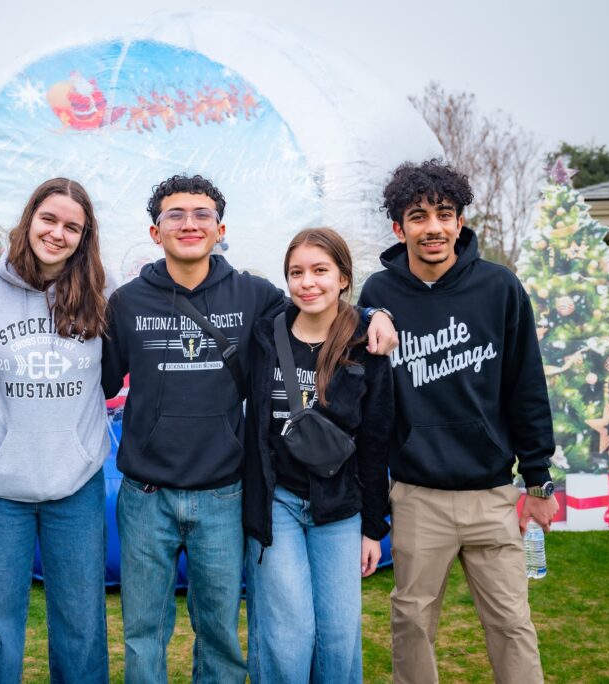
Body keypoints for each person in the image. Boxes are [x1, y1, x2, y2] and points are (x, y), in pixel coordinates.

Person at [101, 174, 397, 683]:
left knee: (219, 633)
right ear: (155, 232)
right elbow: (101, 379)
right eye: (175, 214)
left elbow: (321, 307)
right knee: (143, 633)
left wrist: (375, 312)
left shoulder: (256, 296)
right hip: (146, 495)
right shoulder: (126, 303)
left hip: (222, 494)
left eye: (202, 215)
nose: (189, 223)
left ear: (220, 229)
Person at [358, 159, 558, 684]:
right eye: (418, 216)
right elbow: (371, 406)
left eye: (445, 214)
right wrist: (364, 315)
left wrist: (538, 477)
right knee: (411, 623)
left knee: (513, 624)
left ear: (461, 221)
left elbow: (527, 388)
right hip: (418, 495)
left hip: (492, 494)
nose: (434, 228)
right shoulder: (379, 294)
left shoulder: (500, 288)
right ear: (399, 228)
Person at [0, 178, 110, 684]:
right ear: (29, 219)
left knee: (80, 624)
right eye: (49, 219)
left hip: (76, 486)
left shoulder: (99, 293)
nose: (57, 233)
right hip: (0, 490)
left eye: (73, 226)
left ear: (84, 236)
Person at [242, 227, 393, 683]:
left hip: (340, 507)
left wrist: (373, 527)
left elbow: (375, 442)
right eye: (297, 272)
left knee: (338, 635)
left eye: (320, 271)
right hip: (278, 504)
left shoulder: (366, 342)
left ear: (344, 277)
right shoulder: (266, 336)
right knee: (288, 634)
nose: (308, 282)